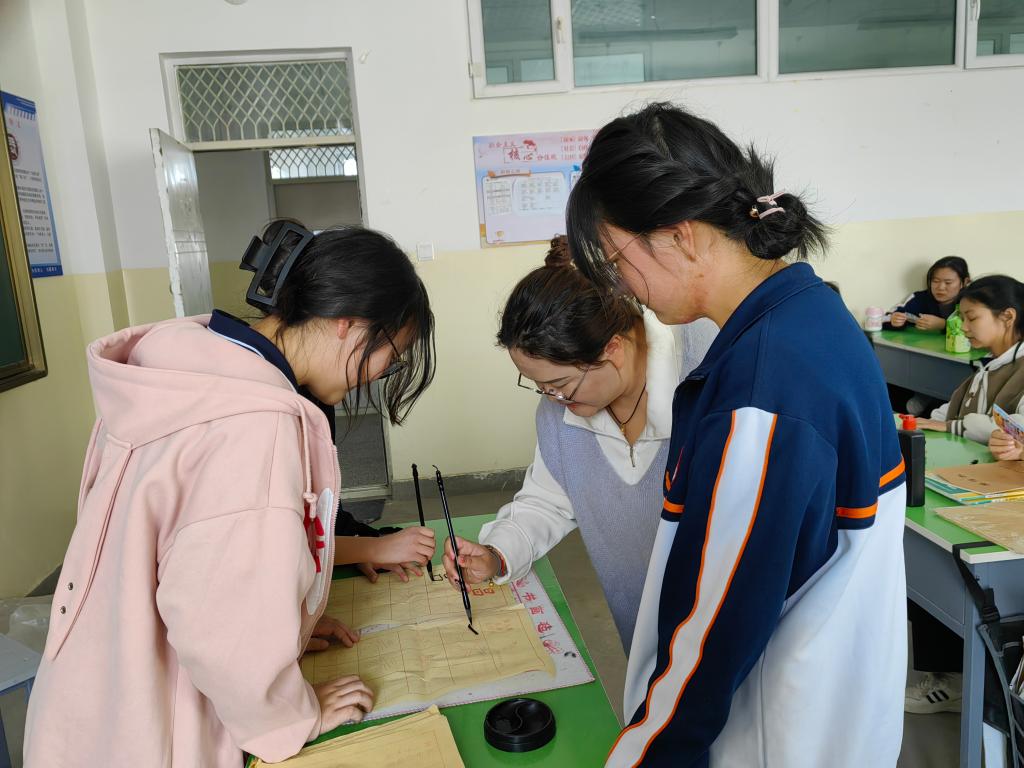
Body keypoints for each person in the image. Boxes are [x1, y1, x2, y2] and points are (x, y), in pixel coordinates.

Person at [566, 102, 906, 767]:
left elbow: (714, 635)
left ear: (679, 236)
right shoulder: (812, 315)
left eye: (616, 259)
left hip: (777, 734)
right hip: (838, 714)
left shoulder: (762, 390)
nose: (622, 286)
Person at [24, 221, 435, 767]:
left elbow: (186, 559)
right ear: (349, 324)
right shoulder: (255, 423)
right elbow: (222, 626)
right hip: (153, 729)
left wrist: (282, 628)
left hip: (88, 702)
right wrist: (289, 713)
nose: (379, 375)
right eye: (392, 354)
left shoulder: (177, 372)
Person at [443, 236, 716, 651]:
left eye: (559, 384)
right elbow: (547, 501)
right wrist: (496, 554)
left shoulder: (707, 379)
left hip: (722, 628)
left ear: (613, 349)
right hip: (641, 631)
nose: (551, 398)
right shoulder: (561, 414)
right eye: (538, 386)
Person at [915, 275, 1024, 443]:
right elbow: (958, 406)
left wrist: (954, 426)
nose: (964, 327)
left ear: (1008, 317)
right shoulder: (992, 364)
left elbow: (1018, 429)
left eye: (972, 318)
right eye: (962, 319)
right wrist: (931, 422)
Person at [885, 255, 971, 331]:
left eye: (948, 282)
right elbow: (886, 318)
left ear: (965, 282)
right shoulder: (919, 299)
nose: (940, 287)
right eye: (935, 281)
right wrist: (894, 321)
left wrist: (944, 325)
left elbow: (976, 330)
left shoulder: (972, 302)